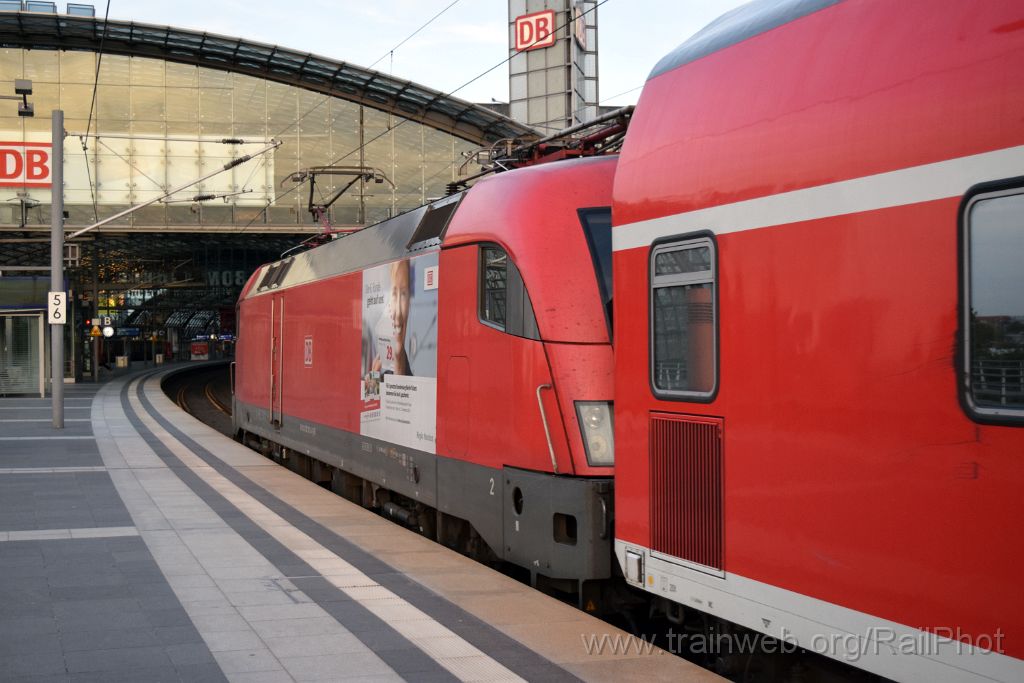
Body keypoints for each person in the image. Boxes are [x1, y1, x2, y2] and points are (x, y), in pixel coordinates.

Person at [365, 259, 412, 397]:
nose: (397, 311)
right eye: (394, 293)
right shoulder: (379, 361)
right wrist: (375, 373)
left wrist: (398, 361)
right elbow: (371, 397)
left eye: (403, 293)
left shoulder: (398, 361)